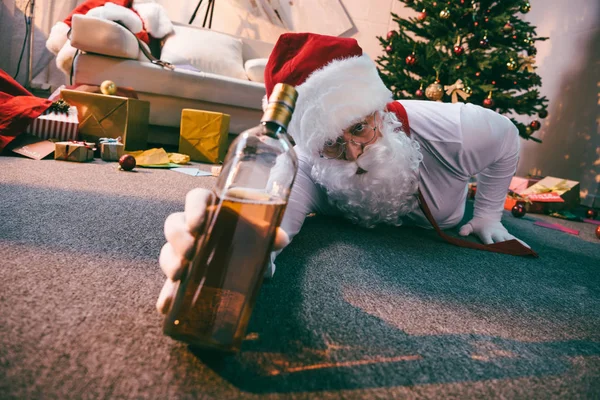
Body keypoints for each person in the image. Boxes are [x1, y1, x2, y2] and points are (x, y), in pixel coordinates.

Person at [156, 33, 533, 314]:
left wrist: (487, 213)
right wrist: (239, 256)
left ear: (377, 113)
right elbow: (271, 228)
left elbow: (508, 138)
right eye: (332, 143)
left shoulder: (455, 130)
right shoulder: (306, 164)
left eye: (358, 128)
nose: (353, 153)